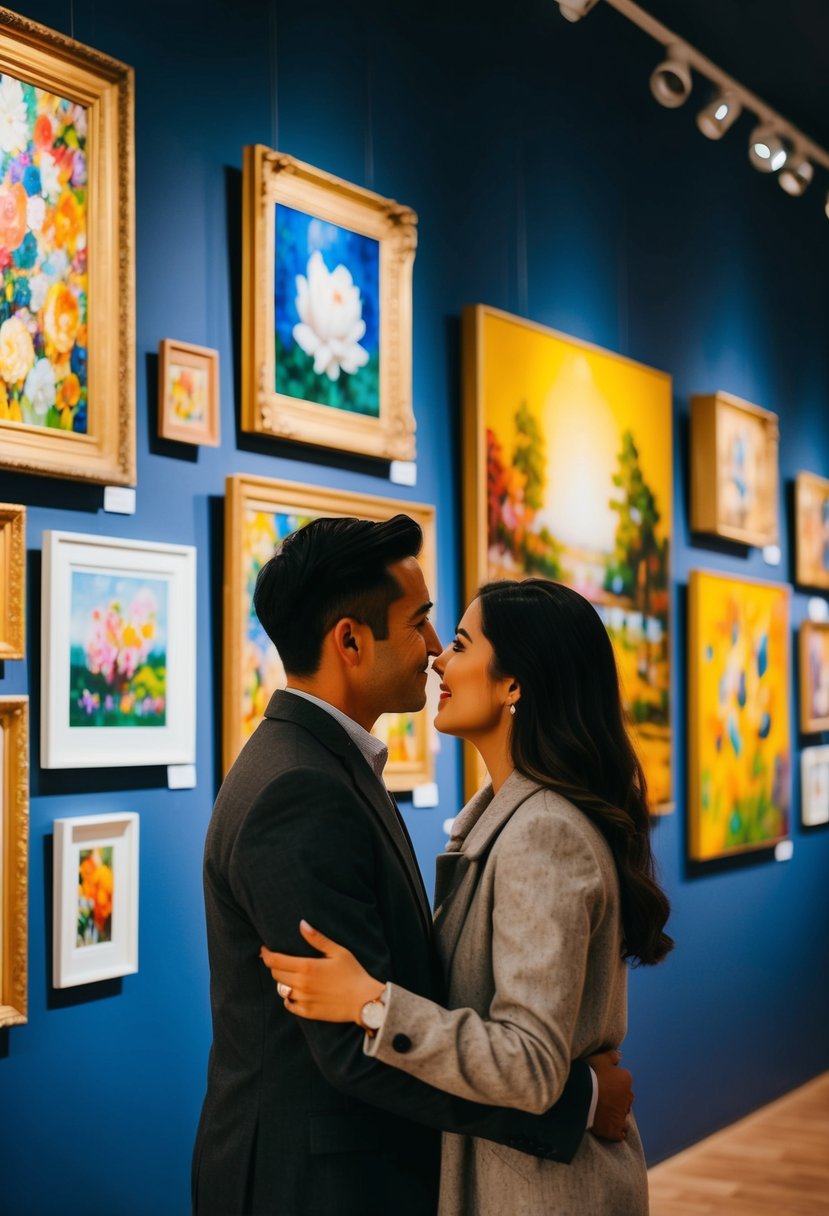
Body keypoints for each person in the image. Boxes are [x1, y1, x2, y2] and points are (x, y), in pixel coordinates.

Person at [192, 517, 633, 1216]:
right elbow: (347, 1051)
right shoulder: (300, 789)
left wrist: (370, 999)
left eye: (452, 638)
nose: (432, 652)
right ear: (349, 640)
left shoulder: (329, 768)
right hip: (318, 1186)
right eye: (425, 624)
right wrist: (574, 1104)